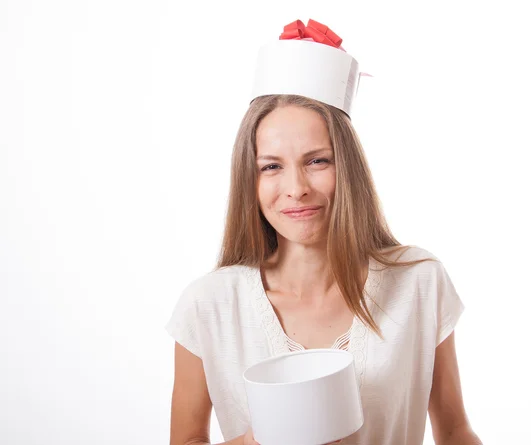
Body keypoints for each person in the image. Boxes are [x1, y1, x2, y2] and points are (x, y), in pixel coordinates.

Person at [166, 19, 482, 445]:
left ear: (347, 168)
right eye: (271, 166)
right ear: (250, 180)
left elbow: (456, 432)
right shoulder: (209, 306)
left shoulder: (419, 282)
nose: (296, 188)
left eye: (318, 161)